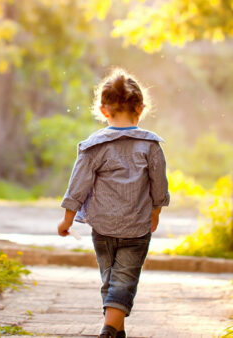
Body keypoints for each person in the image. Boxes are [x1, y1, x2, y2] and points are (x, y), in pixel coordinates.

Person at [57, 68, 170, 338]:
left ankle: (113, 330)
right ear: (140, 109)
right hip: (137, 227)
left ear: (103, 110)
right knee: (124, 280)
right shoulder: (151, 146)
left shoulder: (94, 146)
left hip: (104, 228)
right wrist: (155, 213)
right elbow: (159, 184)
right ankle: (110, 330)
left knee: (111, 280)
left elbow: (78, 185)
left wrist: (67, 219)